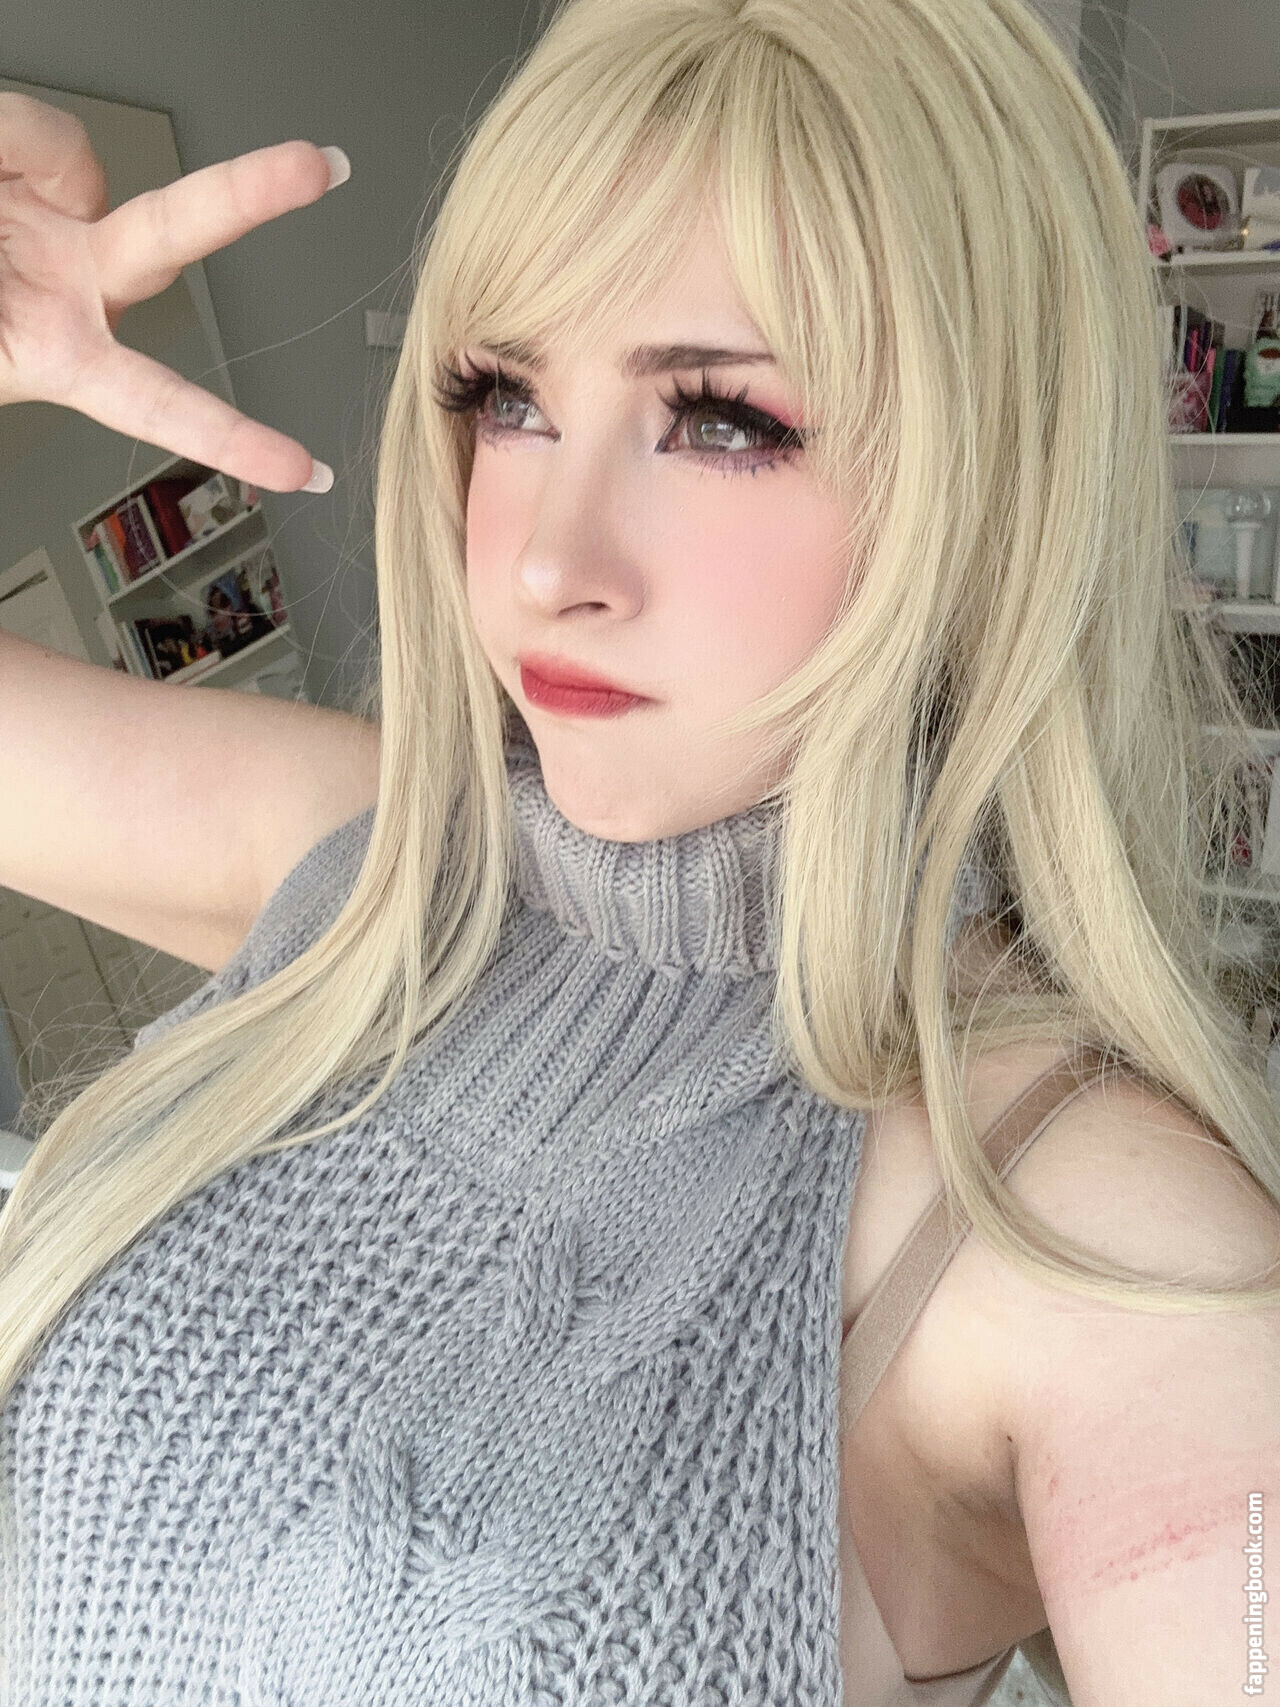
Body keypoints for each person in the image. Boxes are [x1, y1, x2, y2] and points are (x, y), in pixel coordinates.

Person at [0, 0, 1275, 1698]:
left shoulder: (1071, 1222)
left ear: (988, 485)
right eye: (507, 398)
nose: (547, 563)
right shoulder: (369, 867)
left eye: (723, 419)